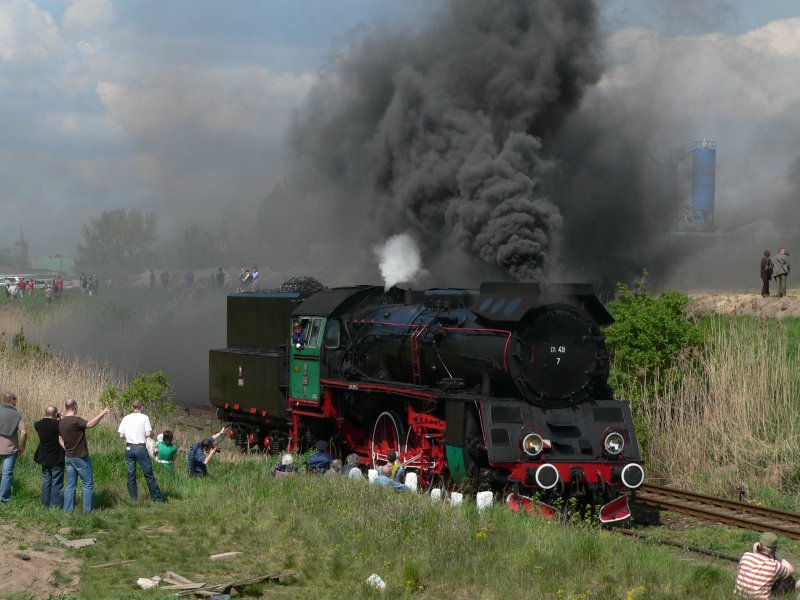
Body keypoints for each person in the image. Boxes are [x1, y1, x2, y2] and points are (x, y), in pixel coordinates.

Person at [59, 400, 112, 513]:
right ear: (74, 406)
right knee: (87, 483)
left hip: (68, 457)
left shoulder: (61, 422)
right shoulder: (76, 420)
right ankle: (88, 511)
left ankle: (67, 511)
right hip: (80, 457)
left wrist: (66, 448)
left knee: (70, 484)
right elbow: (90, 424)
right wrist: (103, 413)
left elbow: (60, 439)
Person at [117, 400, 163, 502]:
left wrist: (129, 436)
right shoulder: (144, 417)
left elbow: (121, 435)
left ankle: (134, 499)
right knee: (148, 474)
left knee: (131, 474)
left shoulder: (126, 418)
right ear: (141, 407)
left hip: (129, 448)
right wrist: (150, 434)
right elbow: (148, 434)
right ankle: (157, 498)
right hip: (140, 448)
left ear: (132, 407)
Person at [735, 531, 800, 598]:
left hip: (738, 597)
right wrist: (774, 556)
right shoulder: (774, 565)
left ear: (759, 545)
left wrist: (755, 551)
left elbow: (738, 571)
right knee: (789, 580)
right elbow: (792, 570)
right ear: (775, 549)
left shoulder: (746, 556)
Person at [33, 405, 64, 508]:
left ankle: (45, 504)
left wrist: (54, 417)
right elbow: (61, 430)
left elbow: (45, 421)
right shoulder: (59, 424)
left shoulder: (37, 425)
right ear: (56, 414)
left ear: (46, 413)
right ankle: (55, 506)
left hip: (44, 456)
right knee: (57, 482)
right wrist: (60, 418)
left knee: (46, 481)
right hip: (57, 456)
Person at [0, 392, 27, 503]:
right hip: (10, 450)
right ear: (12, 400)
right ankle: (3, 499)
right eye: (16, 400)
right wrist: (22, 447)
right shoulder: (17, 415)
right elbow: (24, 433)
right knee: (7, 474)